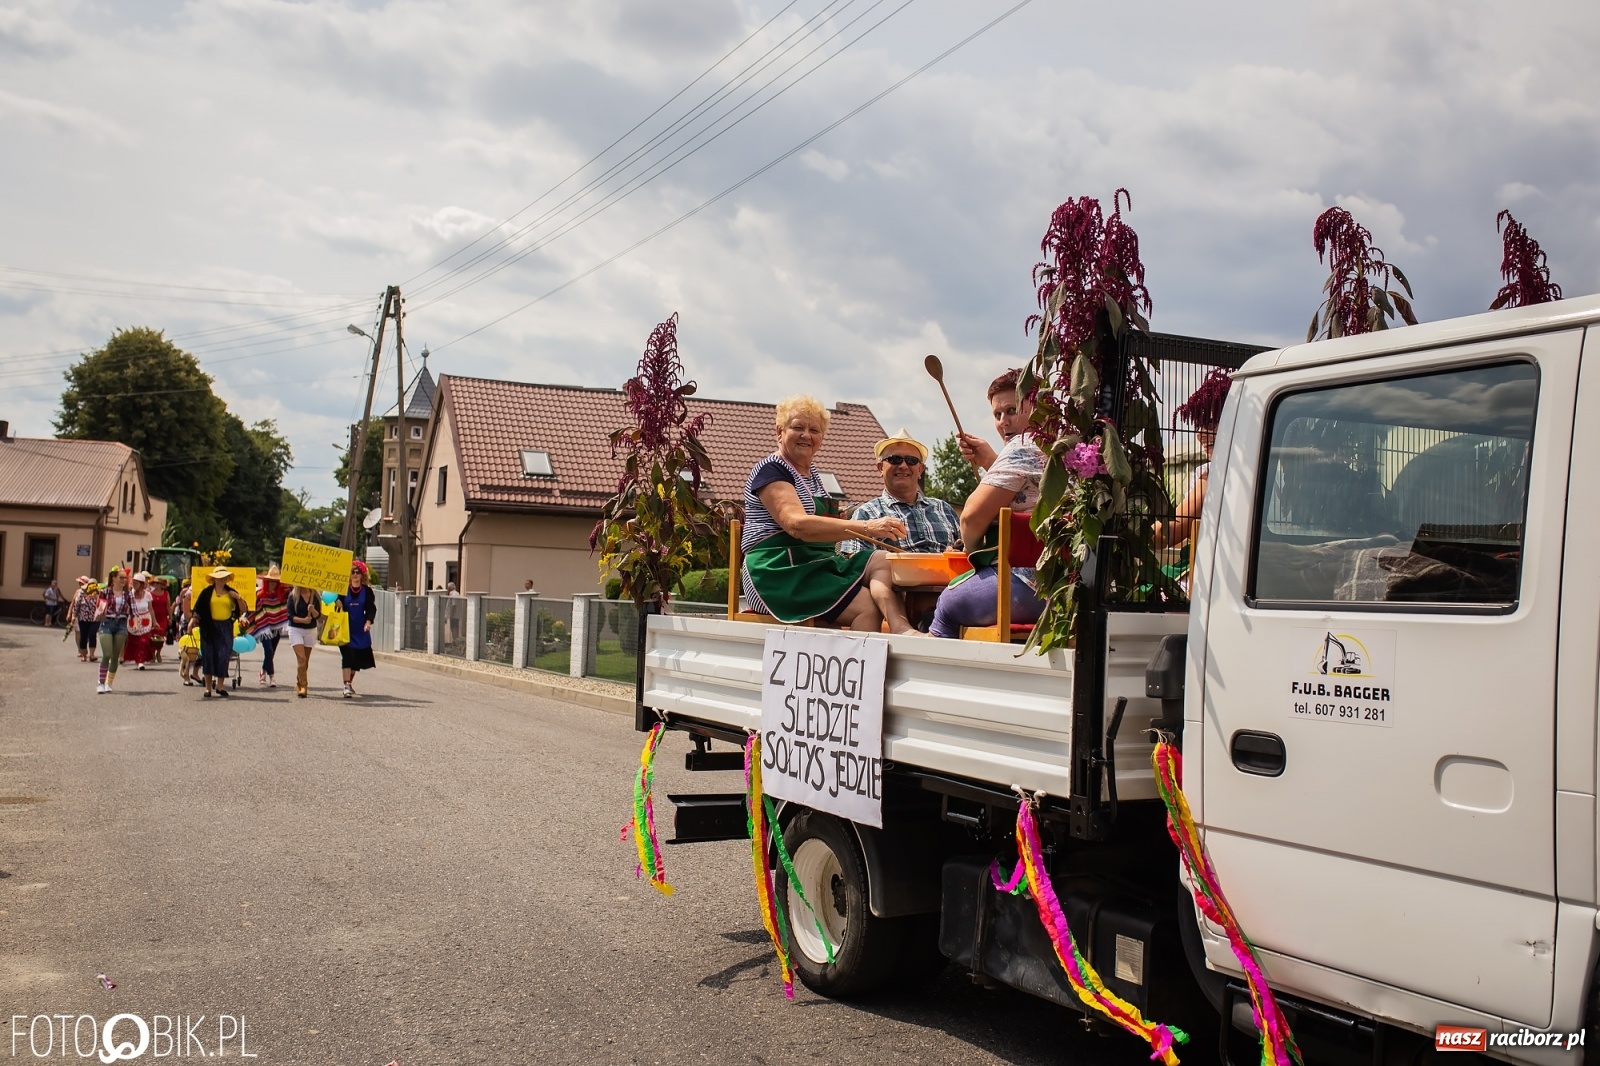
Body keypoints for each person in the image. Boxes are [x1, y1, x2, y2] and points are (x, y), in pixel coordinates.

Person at [739, 395, 917, 633]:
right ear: (779, 431)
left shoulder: (812, 475)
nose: (806, 435)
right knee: (866, 605)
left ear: (821, 439)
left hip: (814, 564)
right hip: (776, 572)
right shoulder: (771, 470)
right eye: (798, 427)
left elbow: (823, 524)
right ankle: (857, 669)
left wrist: (847, 515)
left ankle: (902, 629)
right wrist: (866, 527)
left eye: (814, 430)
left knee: (883, 560)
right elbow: (797, 525)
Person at [930, 370, 1048, 638]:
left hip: (1030, 587)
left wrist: (973, 553)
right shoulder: (1062, 444)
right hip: (1070, 587)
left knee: (947, 604)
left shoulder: (1022, 446)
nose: (1004, 422)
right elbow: (1029, 492)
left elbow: (970, 518)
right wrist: (989, 461)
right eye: (997, 415)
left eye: (1011, 410)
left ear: (1038, 405)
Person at [838, 428, 961, 555]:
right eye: (895, 459)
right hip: (895, 574)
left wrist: (960, 552)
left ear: (920, 469)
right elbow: (856, 564)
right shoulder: (865, 515)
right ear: (880, 468)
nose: (903, 466)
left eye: (911, 460)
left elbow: (970, 553)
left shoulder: (945, 509)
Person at [1154, 367, 1231, 553]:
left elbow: (1170, 532)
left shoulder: (1215, 473)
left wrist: (1129, 531)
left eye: (1211, 424)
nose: (1199, 435)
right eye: (1198, 425)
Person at [192, 567, 246, 699]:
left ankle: (220, 686)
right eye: (219, 577)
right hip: (209, 627)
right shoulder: (206, 592)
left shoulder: (231, 592)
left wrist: (238, 597)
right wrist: (192, 621)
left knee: (223, 655)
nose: (222, 579)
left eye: (224, 577)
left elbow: (243, 610)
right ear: (214, 579)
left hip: (225, 627)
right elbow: (198, 609)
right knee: (208, 656)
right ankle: (208, 688)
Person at [337, 560, 378, 698]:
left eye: (357, 572)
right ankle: (346, 685)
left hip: (360, 630)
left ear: (362, 575)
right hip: (345, 630)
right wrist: (338, 604)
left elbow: (371, 609)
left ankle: (349, 683)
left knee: (356, 661)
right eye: (352, 572)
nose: (355, 575)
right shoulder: (342, 590)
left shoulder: (367, 591)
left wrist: (368, 622)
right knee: (347, 657)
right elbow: (336, 609)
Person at [94, 568, 133, 693]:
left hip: (121, 624)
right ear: (114, 578)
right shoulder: (104, 592)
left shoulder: (128, 594)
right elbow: (99, 606)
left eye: (125, 578)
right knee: (107, 654)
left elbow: (134, 611)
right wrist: (100, 612)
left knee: (115, 656)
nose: (123, 580)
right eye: (121, 577)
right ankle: (100, 682)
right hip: (107, 623)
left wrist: (136, 623)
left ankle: (108, 683)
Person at [251, 564, 291, 687]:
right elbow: (255, 610)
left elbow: (291, 594)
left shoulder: (282, 595)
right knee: (268, 650)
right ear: (267, 581)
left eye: (275, 581)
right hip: (264, 627)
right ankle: (272, 677)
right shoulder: (260, 594)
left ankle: (263, 671)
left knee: (271, 652)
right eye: (271, 581)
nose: (273, 583)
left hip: (277, 627)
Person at [284, 585, 322, 698]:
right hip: (296, 629)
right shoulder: (293, 596)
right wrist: (303, 620)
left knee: (305, 661)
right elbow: (290, 616)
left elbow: (319, 616)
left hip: (310, 630)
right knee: (301, 659)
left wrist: (313, 610)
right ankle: (304, 686)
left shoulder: (315, 596)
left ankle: (299, 681)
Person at [122, 572, 157, 669]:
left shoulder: (148, 595)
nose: (134, 584)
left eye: (136, 583)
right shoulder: (130, 594)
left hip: (145, 619)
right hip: (133, 619)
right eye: (133, 582)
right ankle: (137, 660)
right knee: (134, 641)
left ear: (142, 584)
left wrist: (154, 621)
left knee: (144, 641)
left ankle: (141, 661)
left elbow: (151, 609)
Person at [69, 577, 98, 662]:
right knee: (83, 636)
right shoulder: (82, 592)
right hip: (83, 618)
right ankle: (84, 654)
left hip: (95, 619)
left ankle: (92, 655)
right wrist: (74, 615)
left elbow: (103, 603)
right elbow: (77, 604)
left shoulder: (99, 593)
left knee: (92, 635)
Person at [149, 576, 172, 665]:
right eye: (154, 583)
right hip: (152, 617)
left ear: (162, 585)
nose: (156, 585)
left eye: (158, 583)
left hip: (162, 617)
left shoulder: (166, 593)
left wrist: (170, 617)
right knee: (151, 636)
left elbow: (168, 606)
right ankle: (152, 654)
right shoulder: (150, 593)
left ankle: (158, 653)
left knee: (161, 636)